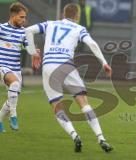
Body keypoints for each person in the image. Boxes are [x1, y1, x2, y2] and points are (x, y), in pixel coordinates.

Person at [25, 3, 113, 152]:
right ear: (77, 16)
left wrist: (33, 52)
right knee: (83, 103)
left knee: (57, 106)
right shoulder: (79, 28)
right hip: (66, 66)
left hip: (48, 67)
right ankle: (101, 138)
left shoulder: (50, 24)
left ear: (62, 15)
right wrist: (104, 62)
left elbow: (28, 30)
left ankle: (74, 136)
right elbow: (92, 43)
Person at [0, 2, 40, 132]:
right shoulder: (1, 28)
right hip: (3, 66)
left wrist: (34, 53)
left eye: (25, 17)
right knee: (15, 84)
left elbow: (29, 48)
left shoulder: (25, 32)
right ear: (13, 16)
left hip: (16, 68)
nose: (24, 20)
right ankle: (14, 116)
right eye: (21, 17)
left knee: (12, 97)